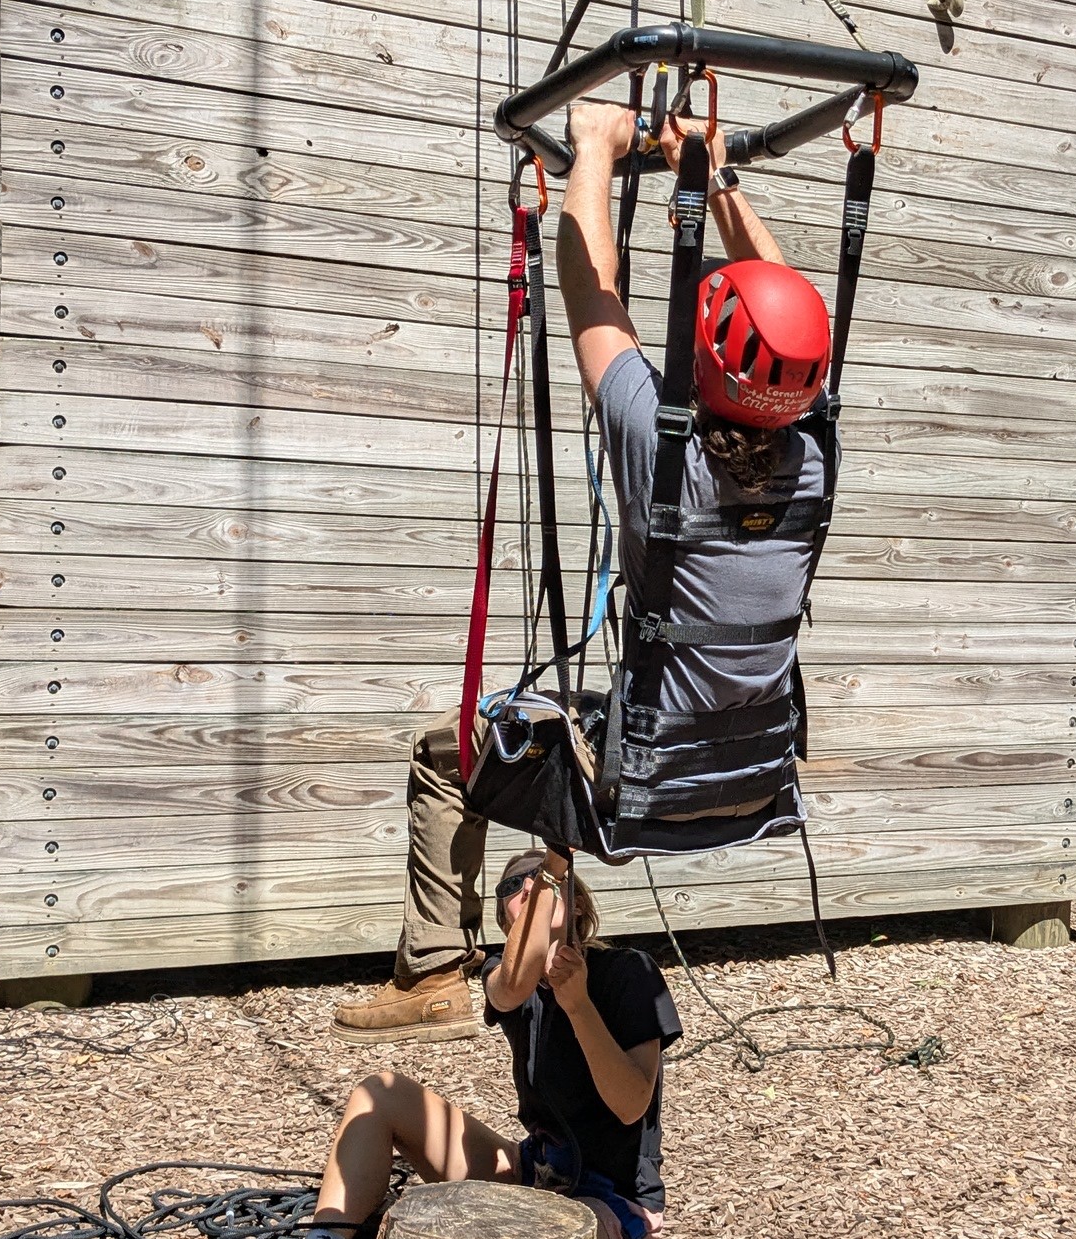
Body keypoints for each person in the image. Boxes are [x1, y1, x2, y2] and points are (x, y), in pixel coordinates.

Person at [332, 101, 836, 1044]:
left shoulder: (664, 444)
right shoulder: (817, 454)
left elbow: (589, 288)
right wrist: (719, 175)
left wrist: (596, 152)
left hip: (650, 777)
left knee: (446, 756)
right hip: (752, 771)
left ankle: (434, 969)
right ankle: (539, 941)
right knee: (592, 710)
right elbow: (785, 308)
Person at [215, 847, 681, 1239]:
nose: (530, 888)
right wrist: (551, 870)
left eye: (542, 882)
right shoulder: (502, 975)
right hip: (534, 1174)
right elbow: (514, 983)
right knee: (382, 1091)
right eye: (514, 888)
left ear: (577, 904)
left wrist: (578, 1005)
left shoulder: (630, 973)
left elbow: (629, 1105)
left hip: (611, 1204)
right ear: (506, 921)